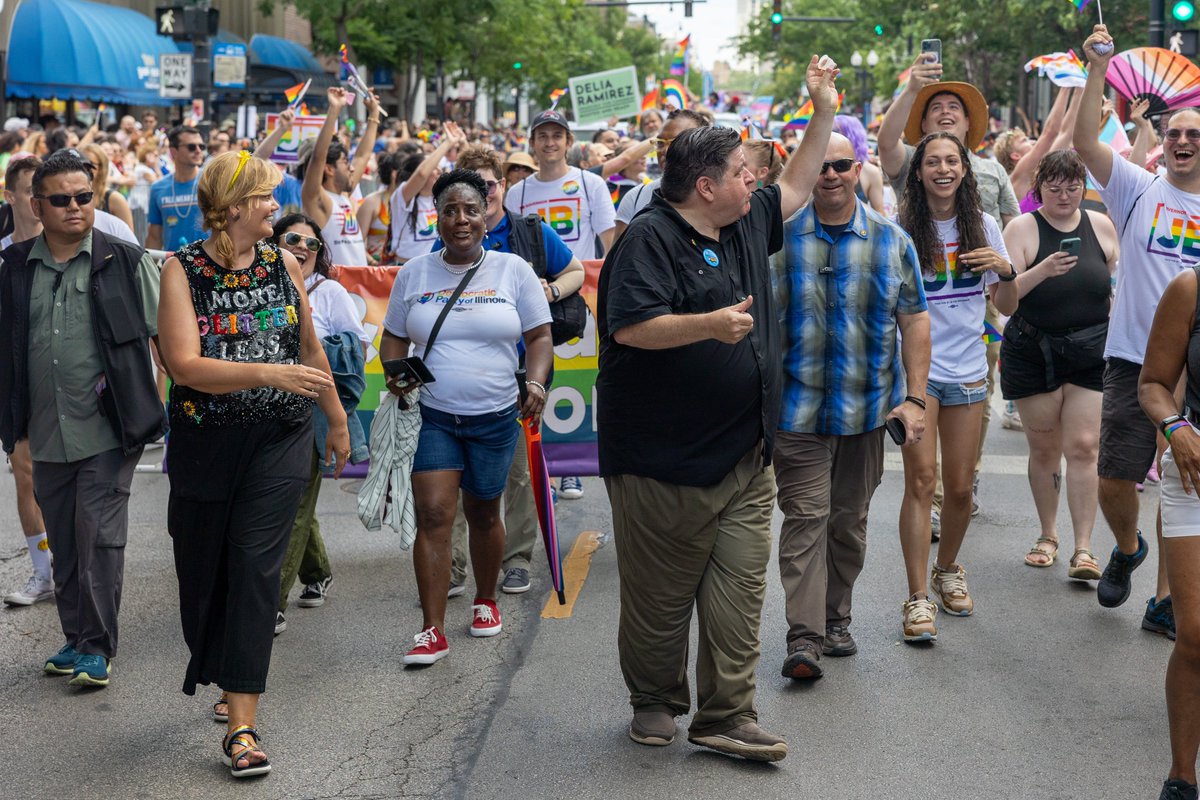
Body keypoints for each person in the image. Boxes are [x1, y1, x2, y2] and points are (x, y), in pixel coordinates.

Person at [596, 55, 838, 762]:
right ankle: (655, 699)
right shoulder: (649, 239)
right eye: (741, 172)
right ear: (705, 186)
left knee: (737, 599)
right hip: (659, 465)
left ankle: (726, 716)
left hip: (743, 457)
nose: (754, 179)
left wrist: (822, 109)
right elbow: (629, 327)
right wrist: (707, 325)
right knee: (660, 605)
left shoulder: (742, 219)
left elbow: (793, 187)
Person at [156, 151, 349, 777]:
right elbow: (184, 366)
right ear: (234, 205)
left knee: (256, 568)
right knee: (205, 568)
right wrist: (267, 370)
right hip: (205, 442)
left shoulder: (284, 262)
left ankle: (242, 725)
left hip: (280, 438)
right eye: (265, 196)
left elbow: (309, 345)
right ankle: (222, 665)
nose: (276, 204)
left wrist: (336, 416)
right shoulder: (180, 270)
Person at [0, 149, 164, 686]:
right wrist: (14, 432)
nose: (75, 207)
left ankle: (97, 646)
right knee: (65, 541)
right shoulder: (14, 268)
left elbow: (168, 339)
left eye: (83, 197)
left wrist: (171, 408)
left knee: (97, 535)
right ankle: (74, 639)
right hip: (45, 432)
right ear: (36, 205)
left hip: (109, 430)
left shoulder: (125, 259)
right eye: (62, 199)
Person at [380, 170, 553, 666]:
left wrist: (536, 383)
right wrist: (397, 375)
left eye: (471, 210)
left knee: (483, 512)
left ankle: (485, 600)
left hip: (496, 417)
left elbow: (539, 336)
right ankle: (431, 630)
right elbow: (393, 339)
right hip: (433, 416)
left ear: (485, 214)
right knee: (434, 514)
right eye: (450, 210)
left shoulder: (513, 270)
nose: (461, 220)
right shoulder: (413, 273)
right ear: (438, 217)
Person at [775, 132, 931, 678]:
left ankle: (836, 616)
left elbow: (913, 319)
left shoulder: (892, 241)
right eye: (821, 165)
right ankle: (804, 637)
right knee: (805, 520)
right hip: (796, 411)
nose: (831, 175)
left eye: (842, 165)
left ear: (858, 168)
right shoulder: (779, 239)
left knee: (848, 522)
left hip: (866, 413)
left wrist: (914, 399)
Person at [1074, 24, 1193, 633]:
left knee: (1185, 482)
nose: (1181, 142)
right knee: (1115, 476)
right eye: (1173, 133)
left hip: (1195, 367)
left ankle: (1168, 599)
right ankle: (1126, 549)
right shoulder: (1136, 188)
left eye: (1193, 134)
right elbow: (1083, 142)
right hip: (1131, 357)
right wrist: (1098, 68)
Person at [437, 145, 585, 596]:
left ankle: (516, 560)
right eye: (471, 187)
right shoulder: (444, 243)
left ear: (501, 189)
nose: (478, 200)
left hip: (519, 377)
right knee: (456, 477)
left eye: (489, 185)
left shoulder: (529, 234)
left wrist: (551, 290)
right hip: (455, 387)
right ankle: (455, 565)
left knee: (518, 474)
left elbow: (575, 271)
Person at [879, 55, 1020, 527]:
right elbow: (885, 144)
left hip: (976, 326)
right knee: (921, 481)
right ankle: (933, 505)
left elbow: (1011, 230)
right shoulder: (909, 175)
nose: (944, 111)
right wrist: (912, 86)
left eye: (953, 107)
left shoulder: (989, 181)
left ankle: (961, 484)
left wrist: (1007, 270)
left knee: (965, 458)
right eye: (934, 105)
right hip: (918, 347)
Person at [895, 132, 1019, 640]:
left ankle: (949, 569)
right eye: (932, 162)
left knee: (961, 489)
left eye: (952, 161)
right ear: (918, 171)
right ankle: (917, 596)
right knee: (922, 483)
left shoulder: (985, 225)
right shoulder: (901, 227)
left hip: (969, 372)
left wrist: (1005, 269)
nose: (943, 169)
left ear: (965, 170)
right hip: (918, 377)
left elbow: (1007, 305)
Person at [996, 149, 1118, 577]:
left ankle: (1084, 547)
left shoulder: (1100, 226)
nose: (1064, 195)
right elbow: (1004, 299)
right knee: (1045, 448)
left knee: (1085, 447)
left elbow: (1115, 285)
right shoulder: (1022, 228)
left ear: (1083, 188)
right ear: (1039, 189)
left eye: (1072, 187)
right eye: (1054, 187)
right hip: (1034, 350)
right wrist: (1041, 271)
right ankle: (1048, 533)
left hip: (1090, 351)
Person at [505, 108, 615, 500]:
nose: (550, 142)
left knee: (574, 381)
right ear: (531, 143)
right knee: (534, 381)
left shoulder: (590, 184)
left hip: (576, 297)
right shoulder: (516, 193)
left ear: (569, 142)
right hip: (526, 299)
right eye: (542, 136)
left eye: (557, 135)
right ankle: (543, 462)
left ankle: (571, 469)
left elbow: (610, 244)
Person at [269, 213, 370, 637]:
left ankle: (269, 602)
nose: (302, 248)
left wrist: (336, 417)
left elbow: (356, 351)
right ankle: (318, 570)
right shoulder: (259, 286)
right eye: (292, 239)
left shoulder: (329, 293)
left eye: (311, 244)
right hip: (261, 409)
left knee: (291, 503)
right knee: (290, 501)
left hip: (308, 413)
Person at [1139, 265, 1200, 800]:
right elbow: (1153, 383)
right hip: (1195, 470)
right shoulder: (1191, 288)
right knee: (1196, 632)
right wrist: (1175, 428)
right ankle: (1183, 774)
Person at [1, 155, 52, 607]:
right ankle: (43, 574)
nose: (41, 202)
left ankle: (72, 565)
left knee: (68, 481)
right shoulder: (1, 256)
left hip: (65, 383)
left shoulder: (70, 247)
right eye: (32, 192)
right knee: (25, 473)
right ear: (12, 196)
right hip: (15, 382)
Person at [301, 86, 381, 267]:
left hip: (358, 290)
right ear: (328, 169)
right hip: (333, 289)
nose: (352, 169)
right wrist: (334, 110)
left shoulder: (344, 197)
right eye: (345, 163)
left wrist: (374, 114)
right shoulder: (318, 200)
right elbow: (317, 158)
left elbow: (362, 156)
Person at [613, 109, 709, 239]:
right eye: (660, 143)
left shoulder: (722, 197)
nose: (665, 150)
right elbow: (618, 256)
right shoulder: (635, 198)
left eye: (675, 142)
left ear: (703, 145)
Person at [388, 122, 466, 262]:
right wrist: (447, 143)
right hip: (406, 267)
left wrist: (463, 142)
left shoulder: (443, 197)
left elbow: (470, 173)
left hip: (438, 269)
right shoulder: (403, 196)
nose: (438, 171)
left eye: (439, 167)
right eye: (433, 168)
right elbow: (421, 174)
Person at [147, 125, 207, 251]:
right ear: (174, 151)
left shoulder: (212, 181)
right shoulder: (158, 188)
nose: (198, 151)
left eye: (201, 146)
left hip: (208, 266)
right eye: (191, 147)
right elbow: (154, 236)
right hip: (173, 265)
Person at [832, 115, 885, 213]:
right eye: (831, 131)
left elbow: (879, 215)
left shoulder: (870, 172)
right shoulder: (819, 169)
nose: (832, 135)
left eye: (836, 131)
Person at [78, 143, 134, 233]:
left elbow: (128, 239)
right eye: (81, 163)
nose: (84, 168)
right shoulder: (72, 198)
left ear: (101, 168)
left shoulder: (115, 199)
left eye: (90, 164)